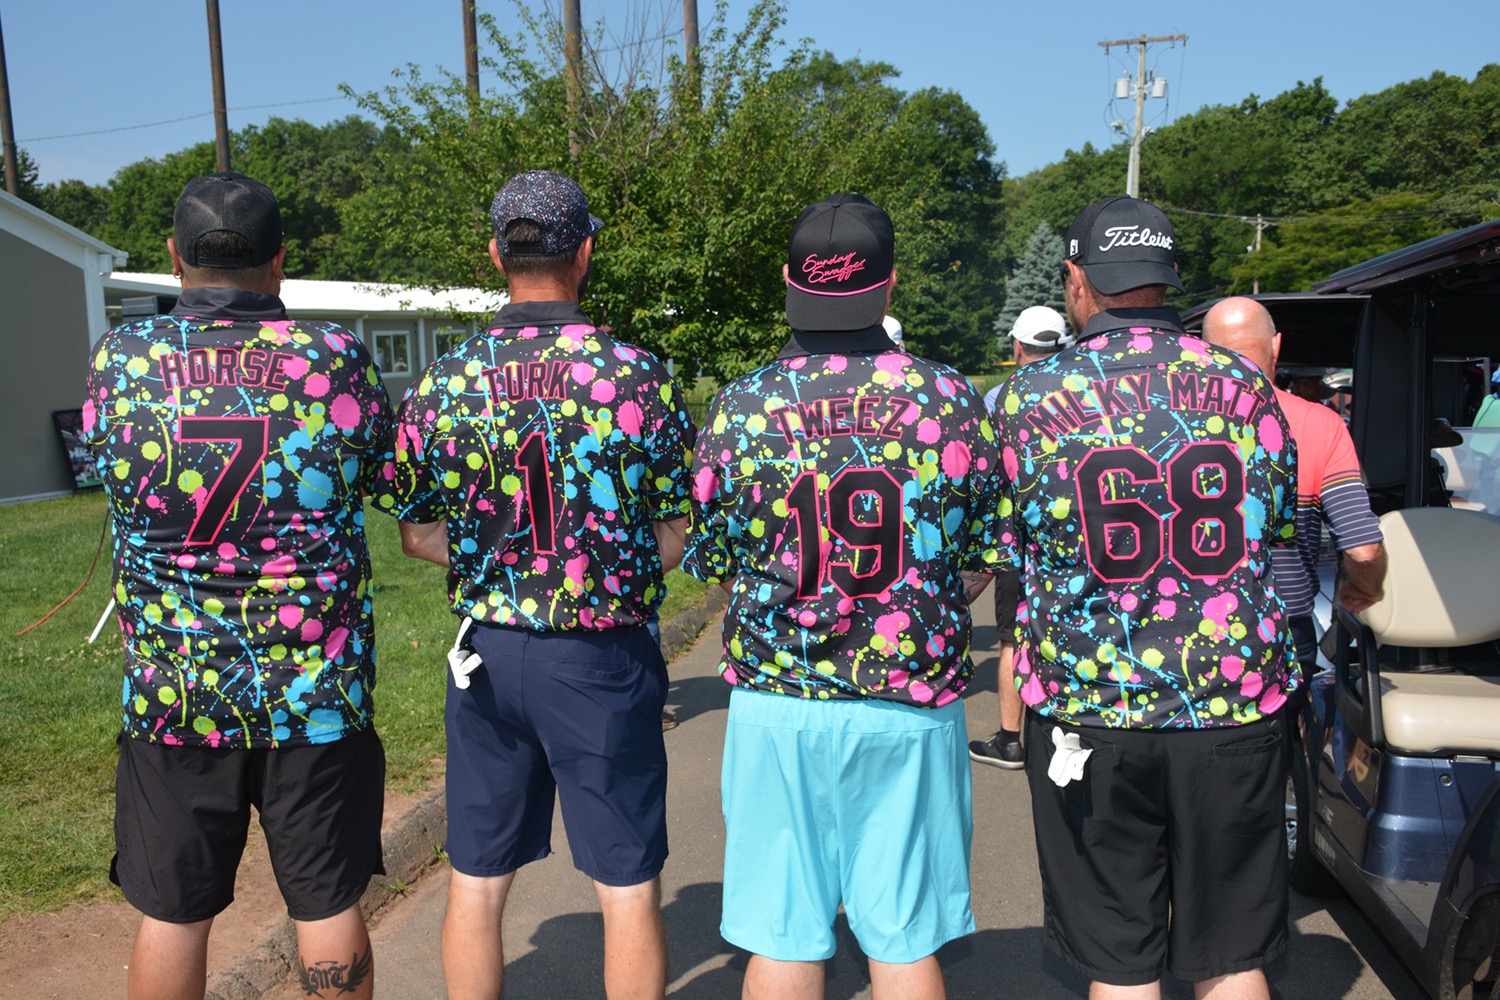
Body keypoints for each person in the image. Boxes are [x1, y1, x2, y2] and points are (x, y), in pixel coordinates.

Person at [373, 169, 694, 1000]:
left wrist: (503, 564)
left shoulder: (445, 380)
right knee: (625, 883)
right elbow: (676, 529)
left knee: (477, 877)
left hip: (487, 650)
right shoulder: (636, 376)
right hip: (598, 653)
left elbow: (416, 534)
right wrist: (599, 565)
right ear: (582, 253)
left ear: (496, 254)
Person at [683, 193, 1002, 1000]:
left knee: (784, 938)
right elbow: (981, 556)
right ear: (888, 285)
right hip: (907, 700)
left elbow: (717, 558)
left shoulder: (741, 404)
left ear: (789, 280)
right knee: (903, 940)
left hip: (778, 699)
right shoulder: (949, 398)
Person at [82, 172, 392, 1000]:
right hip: (314, 689)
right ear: (279, 261)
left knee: (172, 914)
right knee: (327, 901)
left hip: (175, 689)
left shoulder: (122, 359)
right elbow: (387, 480)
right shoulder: (335, 357)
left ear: (174, 258)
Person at [993, 195, 1297, 1000]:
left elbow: (1005, 548)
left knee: (1119, 964)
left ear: (1077, 280)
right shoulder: (1249, 386)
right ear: (1169, 276)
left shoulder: (1027, 397)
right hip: (1230, 699)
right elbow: (1274, 531)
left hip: (1092, 703)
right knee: (1232, 958)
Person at [1202, 297, 1386, 683]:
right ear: (1276, 344)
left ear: (1203, 352)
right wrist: (1365, 587)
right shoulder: (1320, 424)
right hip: (1282, 625)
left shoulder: (1170, 422)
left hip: (1188, 628)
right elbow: (1363, 549)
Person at [971, 305, 1072, 769]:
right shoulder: (1079, 388)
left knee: (1013, 639)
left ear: (1016, 346)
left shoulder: (1000, 398)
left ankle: (1011, 739)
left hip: (1017, 536)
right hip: (1072, 533)